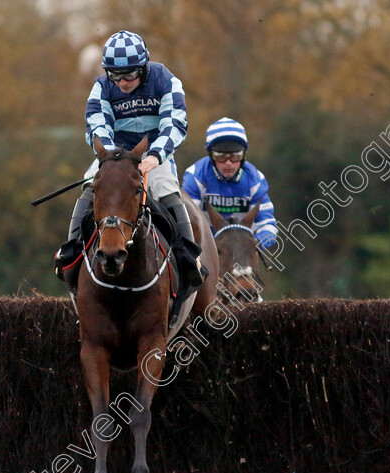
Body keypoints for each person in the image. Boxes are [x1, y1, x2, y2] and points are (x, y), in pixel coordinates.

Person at [54, 31, 204, 303]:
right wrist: (113, 158)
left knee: (168, 192)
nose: (122, 82)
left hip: (153, 156)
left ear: (144, 68)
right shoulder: (101, 87)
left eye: (129, 75)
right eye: (115, 76)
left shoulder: (166, 80)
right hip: (115, 157)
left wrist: (156, 155)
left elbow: (175, 122)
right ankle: (71, 254)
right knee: (89, 190)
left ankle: (186, 258)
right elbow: (97, 126)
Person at [182, 118, 278, 248]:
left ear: (243, 156)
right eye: (220, 156)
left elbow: (267, 225)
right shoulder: (195, 176)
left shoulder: (255, 180)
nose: (228, 163)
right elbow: (189, 223)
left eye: (235, 156)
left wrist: (253, 245)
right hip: (206, 246)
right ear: (211, 156)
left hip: (243, 248)